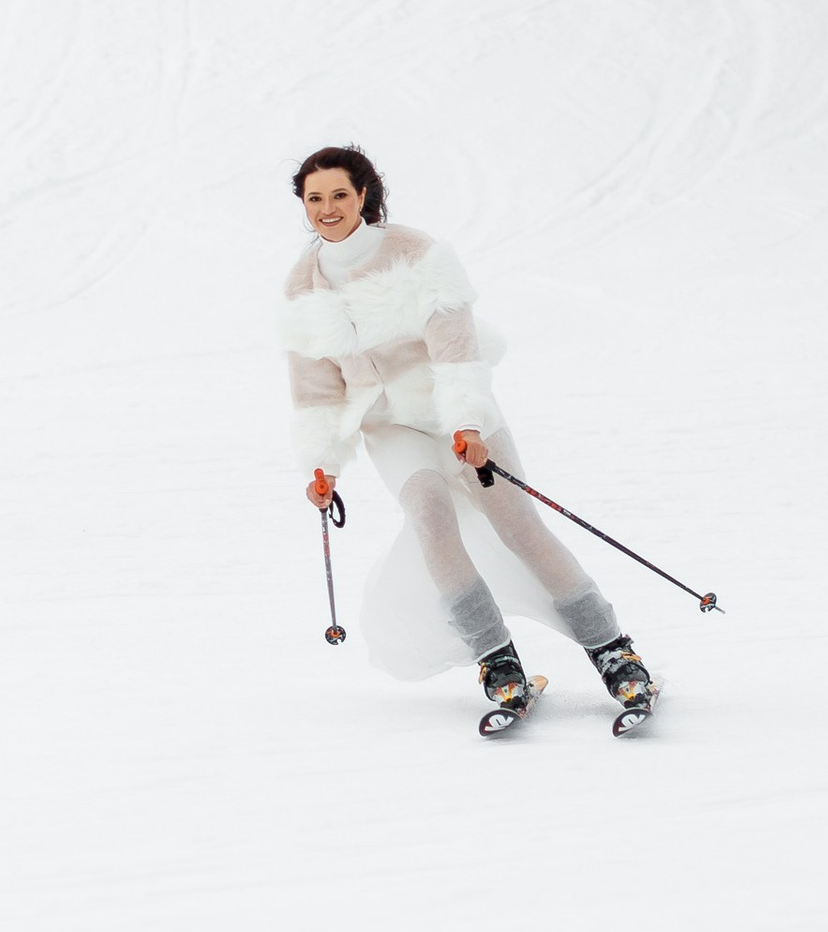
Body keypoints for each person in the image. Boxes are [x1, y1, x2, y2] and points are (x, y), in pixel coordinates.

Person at [280, 144, 655, 729]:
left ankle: (614, 652)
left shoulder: (416, 252)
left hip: (454, 409)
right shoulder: (302, 286)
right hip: (391, 425)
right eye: (315, 198)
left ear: (363, 196)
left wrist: (468, 422)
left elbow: (455, 345)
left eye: (339, 195)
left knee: (517, 526)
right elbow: (314, 387)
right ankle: (496, 660)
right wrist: (321, 463)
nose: (328, 209)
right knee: (431, 517)